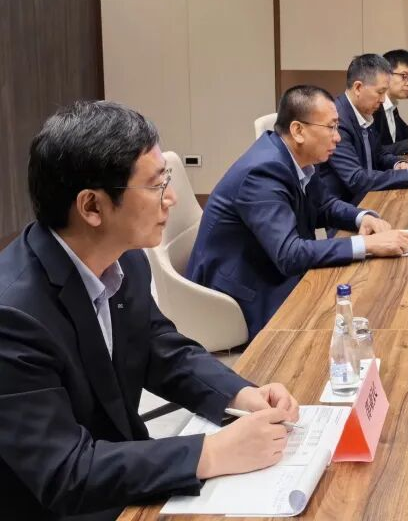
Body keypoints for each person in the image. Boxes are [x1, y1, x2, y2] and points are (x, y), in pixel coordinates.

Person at [0, 101, 302, 521]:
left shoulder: (124, 257)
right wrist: (210, 453)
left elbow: (162, 349)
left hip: (127, 477)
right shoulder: (13, 316)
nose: (171, 198)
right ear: (92, 207)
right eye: (157, 185)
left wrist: (240, 395)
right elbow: (64, 473)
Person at [188, 85, 408, 338]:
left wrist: (363, 217)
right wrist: (367, 244)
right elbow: (290, 254)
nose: (337, 138)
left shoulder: (298, 158)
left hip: (270, 269)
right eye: (331, 127)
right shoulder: (262, 173)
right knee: (356, 321)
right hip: (243, 293)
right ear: (298, 131)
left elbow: (324, 205)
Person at [319, 54, 408, 204]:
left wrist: (398, 164)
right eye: (380, 92)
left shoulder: (365, 111)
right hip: (346, 207)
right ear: (358, 88)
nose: (383, 100)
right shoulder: (337, 120)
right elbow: (355, 178)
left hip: (370, 197)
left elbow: (378, 154)